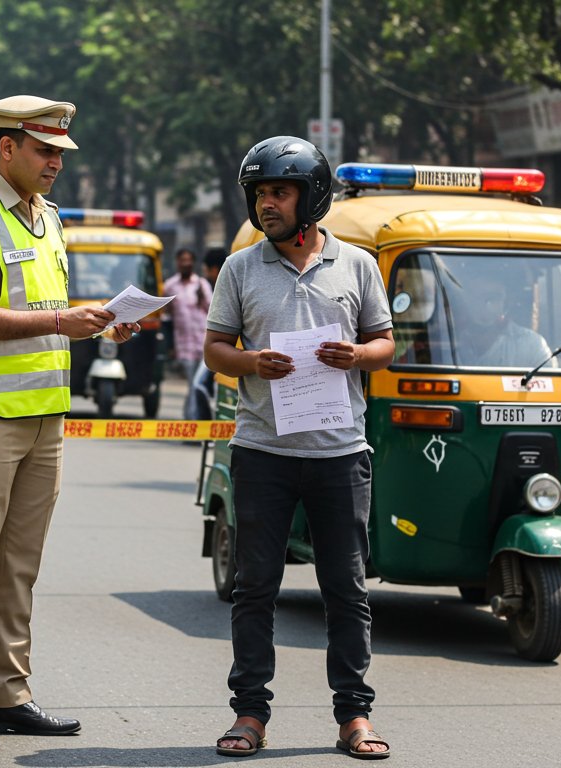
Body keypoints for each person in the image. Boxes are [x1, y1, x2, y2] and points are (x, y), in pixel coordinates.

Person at [0, 95, 138, 752]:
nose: (55, 164)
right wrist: (58, 322)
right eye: (44, 151)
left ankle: (8, 692)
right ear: (7, 148)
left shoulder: (48, 219)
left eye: (61, 154)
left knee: (19, 565)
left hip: (45, 412)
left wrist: (98, 320)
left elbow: (48, 307)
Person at [204, 136, 393, 760]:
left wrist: (358, 356)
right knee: (256, 586)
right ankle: (250, 714)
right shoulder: (240, 269)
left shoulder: (358, 265)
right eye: (259, 194)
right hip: (262, 452)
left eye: (279, 192)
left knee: (347, 588)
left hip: (340, 454)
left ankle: (354, 718)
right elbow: (215, 350)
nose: (267, 205)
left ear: (312, 197)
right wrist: (252, 361)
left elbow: (384, 344)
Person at [448, 270, 551, 369]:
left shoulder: (532, 345)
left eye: (493, 298)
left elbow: (551, 383)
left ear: (505, 303)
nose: (485, 305)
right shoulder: (447, 339)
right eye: (476, 298)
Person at [185, 247, 227, 421]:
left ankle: (204, 428)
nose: (207, 275)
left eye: (207, 271)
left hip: (221, 348)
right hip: (215, 347)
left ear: (215, 270)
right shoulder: (210, 287)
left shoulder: (224, 287)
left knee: (199, 385)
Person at [162, 246, 213, 379]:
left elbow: (212, 311)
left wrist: (202, 298)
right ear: (177, 262)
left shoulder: (202, 284)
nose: (185, 263)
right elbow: (165, 314)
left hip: (203, 342)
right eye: (182, 260)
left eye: (188, 260)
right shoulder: (169, 286)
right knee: (192, 381)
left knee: (197, 383)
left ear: (193, 263)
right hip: (183, 345)